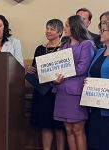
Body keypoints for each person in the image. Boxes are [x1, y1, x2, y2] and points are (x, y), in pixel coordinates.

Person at [53, 15, 94, 150]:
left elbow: (83, 67)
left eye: (66, 25)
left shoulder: (86, 44)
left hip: (76, 92)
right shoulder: (64, 46)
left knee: (77, 129)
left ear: (74, 27)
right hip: (62, 91)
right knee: (68, 129)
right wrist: (54, 77)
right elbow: (58, 67)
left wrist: (63, 73)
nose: (64, 28)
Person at [26, 19, 65, 150]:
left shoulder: (65, 48)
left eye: (52, 29)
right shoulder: (40, 49)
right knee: (45, 124)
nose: (48, 31)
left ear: (60, 32)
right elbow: (35, 69)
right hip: (43, 92)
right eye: (47, 28)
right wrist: (30, 70)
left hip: (58, 92)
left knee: (59, 126)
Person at [87, 15, 109, 150]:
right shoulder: (99, 51)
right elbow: (93, 73)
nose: (100, 32)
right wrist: (87, 82)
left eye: (104, 30)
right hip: (95, 107)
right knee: (95, 144)